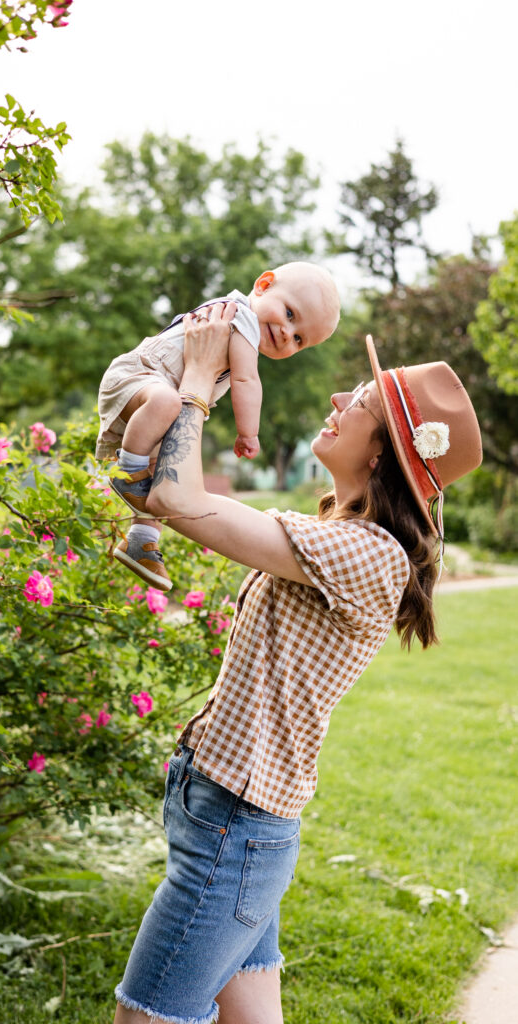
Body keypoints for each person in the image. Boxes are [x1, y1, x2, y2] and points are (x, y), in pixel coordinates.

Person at [113, 302, 483, 1024]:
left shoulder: (367, 554)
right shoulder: (336, 534)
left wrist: (194, 378)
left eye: (362, 400)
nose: (338, 398)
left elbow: (174, 498)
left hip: (235, 823)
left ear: (382, 455)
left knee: (145, 1019)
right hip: (231, 815)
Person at [96, 262, 340, 592]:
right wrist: (248, 432)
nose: (286, 333)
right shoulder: (241, 317)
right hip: (139, 377)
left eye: (298, 339)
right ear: (263, 285)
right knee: (168, 405)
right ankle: (127, 473)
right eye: (290, 314)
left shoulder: (246, 329)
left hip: (156, 403)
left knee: (165, 474)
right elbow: (245, 380)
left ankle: (142, 541)